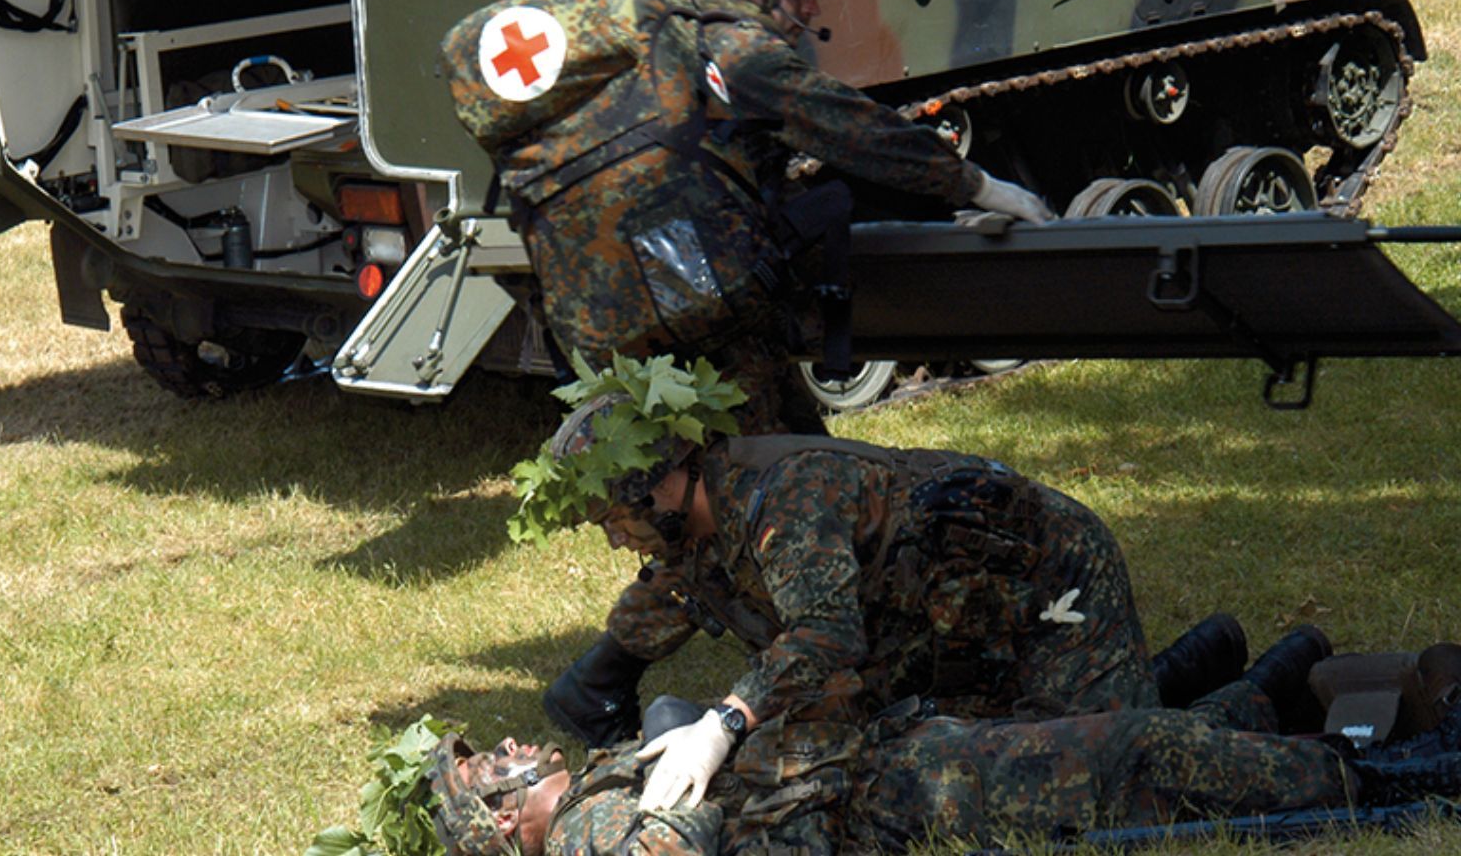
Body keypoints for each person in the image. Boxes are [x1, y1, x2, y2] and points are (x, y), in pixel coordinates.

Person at [443, 0, 1052, 437]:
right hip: (705, 311)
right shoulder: (738, 52)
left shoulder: (651, 50)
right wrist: (979, 186)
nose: (810, 10)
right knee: (776, 471)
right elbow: (858, 130)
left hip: (601, 318)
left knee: (685, 478)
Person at [522, 355, 1254, 794]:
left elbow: (827, 635)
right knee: (1006, 747)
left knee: (1113, 760)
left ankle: (1269, 693)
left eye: (618, 520)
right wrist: (598, 681)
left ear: (663, 487)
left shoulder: (786, 500)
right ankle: (1207, 654)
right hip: (955, 619)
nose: (619, 541)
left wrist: (724, 722)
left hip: (1047, 582)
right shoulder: (695, 531)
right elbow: (667, 599)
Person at [423, 648, 1461, 855]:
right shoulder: (590, 839)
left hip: (900, 757)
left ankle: (1303, 703)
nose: (508, 744)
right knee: (1142, 748)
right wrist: (670, 800)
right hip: (905, 797)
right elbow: (680, 845)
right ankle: (1410, 777)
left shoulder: (594, 780)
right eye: (489, 768)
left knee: (1147, 749)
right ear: (506, 820)